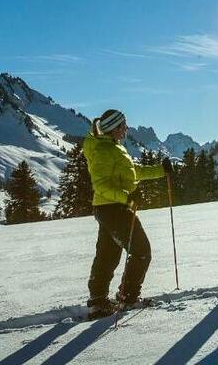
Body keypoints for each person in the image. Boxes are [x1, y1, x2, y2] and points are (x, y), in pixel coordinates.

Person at [82, 108, 173, 319]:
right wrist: (127, 197)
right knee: (141, 251)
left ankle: (98, 301)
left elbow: (134, 172)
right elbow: (100, 184)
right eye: (123, 125)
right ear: (114, 128)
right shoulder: (104, 151)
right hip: (114, 208)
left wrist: (162, 170)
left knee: (107, 254)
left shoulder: (113, 147)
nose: (126, 128)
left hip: (108, 208)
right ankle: (128, 297)